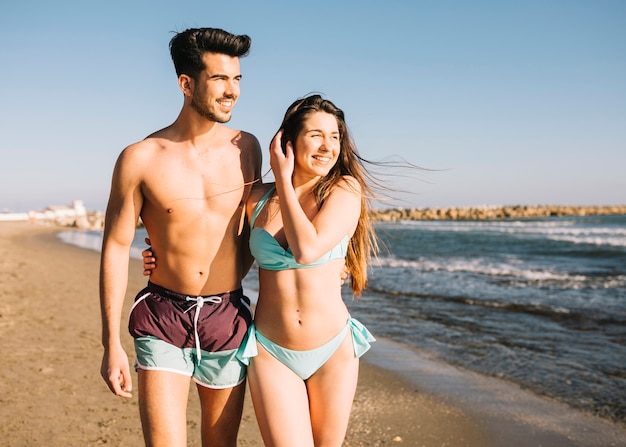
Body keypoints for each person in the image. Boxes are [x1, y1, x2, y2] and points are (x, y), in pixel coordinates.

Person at [145, 94, 378, 446]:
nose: (328, 146)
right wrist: (165, 259)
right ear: (288, 141)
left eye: (335, 137)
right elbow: (224, 256)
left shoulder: (344, 190)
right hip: (272, 351)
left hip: (332, 350)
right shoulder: (256, 200)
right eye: (316, 135)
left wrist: (284, 179)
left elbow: (308, 248)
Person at [99, 27, 262, 447]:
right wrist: (110, 342)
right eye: (220, 79)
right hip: (162, 316)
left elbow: (260, 229)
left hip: (227, 316)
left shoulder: (249, 149)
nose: (233, 92)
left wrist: (324, 263)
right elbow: (116, 247)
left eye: (237, 79)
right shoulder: (141, 157)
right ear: (186, 84)